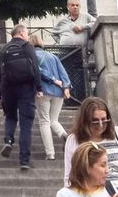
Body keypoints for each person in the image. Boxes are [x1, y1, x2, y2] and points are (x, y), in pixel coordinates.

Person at [64, 98, 118, 197]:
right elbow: (69, 176)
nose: (100, 125)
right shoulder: (74, 140)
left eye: (104, 120)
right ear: (85, 121)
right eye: (95, 121)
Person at [0, 23, 41, 172]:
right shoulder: (27, 47)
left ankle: (8, 140)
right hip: (26, 88)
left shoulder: (4, 49)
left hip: (7, 88)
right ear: (21, 33)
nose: (27, 35)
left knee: (10, 117)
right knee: (26, 124)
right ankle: (24, 160)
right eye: (26, 33)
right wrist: (39, 88)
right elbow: (35, 68)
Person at [31, 31, 72, 159]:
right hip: (58, 92)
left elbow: (38, 71)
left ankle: (50, 153)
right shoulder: (53, 56)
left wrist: (52, 79)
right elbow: (63, 73)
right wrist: (66, 86)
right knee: (54, 120)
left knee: (44, 121)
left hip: (42, 90)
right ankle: (65, 136)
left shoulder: (32, 56)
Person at [53, 0, 94, 100]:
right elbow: (54, 33)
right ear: (68, 7)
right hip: (66, 52)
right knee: (66, 75)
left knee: (80, 76)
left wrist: (82, 27)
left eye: (77, 5)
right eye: (72, 5)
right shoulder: (62, 21)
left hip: (80, 52)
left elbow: (95, 22)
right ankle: (68, 99)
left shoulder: (85, 17)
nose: (75, 7)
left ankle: (79, 98)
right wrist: (61, 42)